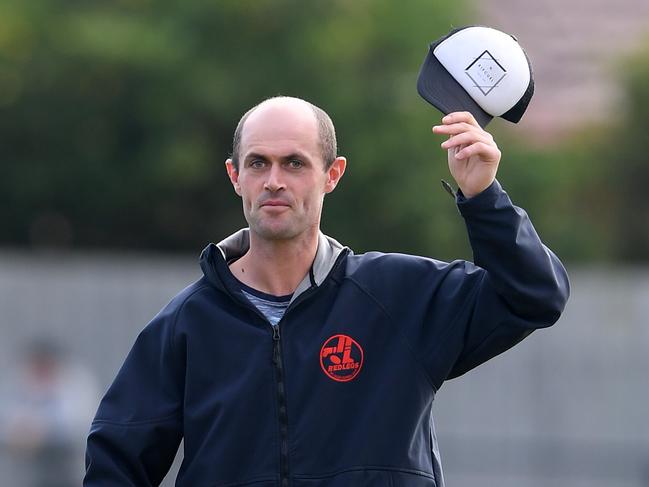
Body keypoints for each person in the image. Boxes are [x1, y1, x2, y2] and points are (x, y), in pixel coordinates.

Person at [84, 96, 569, 486]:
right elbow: (115, 465)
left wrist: (484, 198)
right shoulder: (186, 324)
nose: (274, 181)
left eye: (294, 163)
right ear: (236, 177)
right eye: (258, 164)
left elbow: (535, 296)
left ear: (332, 174)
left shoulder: (401, 297)